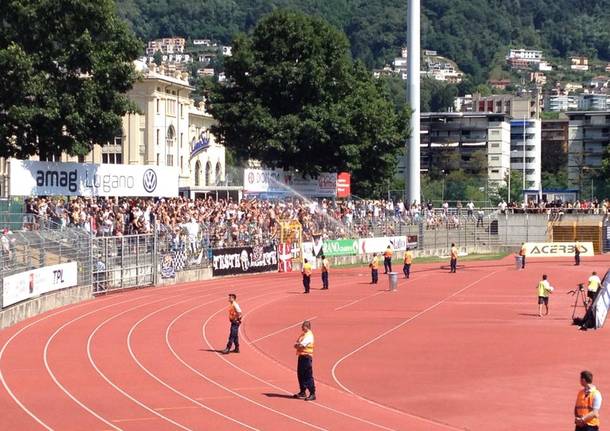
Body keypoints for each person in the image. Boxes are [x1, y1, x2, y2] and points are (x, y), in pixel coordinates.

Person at [293, 320, 316, 401]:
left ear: (307, 327)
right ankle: (302, 391)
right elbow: (296, 344)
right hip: (301, 356)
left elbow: (301, 346)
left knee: (307, 376)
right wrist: (297, 345)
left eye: (303, 326)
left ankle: (312, 393)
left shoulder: (309, 335)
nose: (301, 327)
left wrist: (298, 345)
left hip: (306, 357)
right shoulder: (303, 334)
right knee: (300, 375)